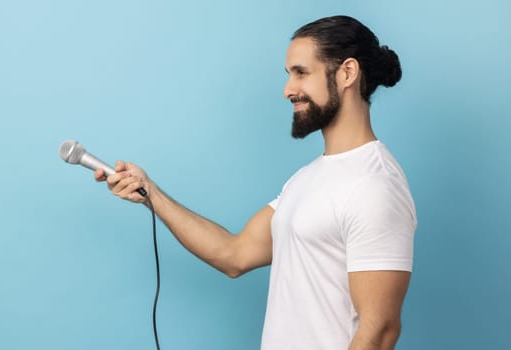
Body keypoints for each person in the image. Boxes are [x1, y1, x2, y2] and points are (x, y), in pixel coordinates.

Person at [95, 15, 417, 350]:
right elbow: (235, 254)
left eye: (301, 73)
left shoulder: (374, 185)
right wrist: (151, 193)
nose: (287, 90)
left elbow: (379, 332)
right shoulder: (307, 179)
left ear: (347, 73)